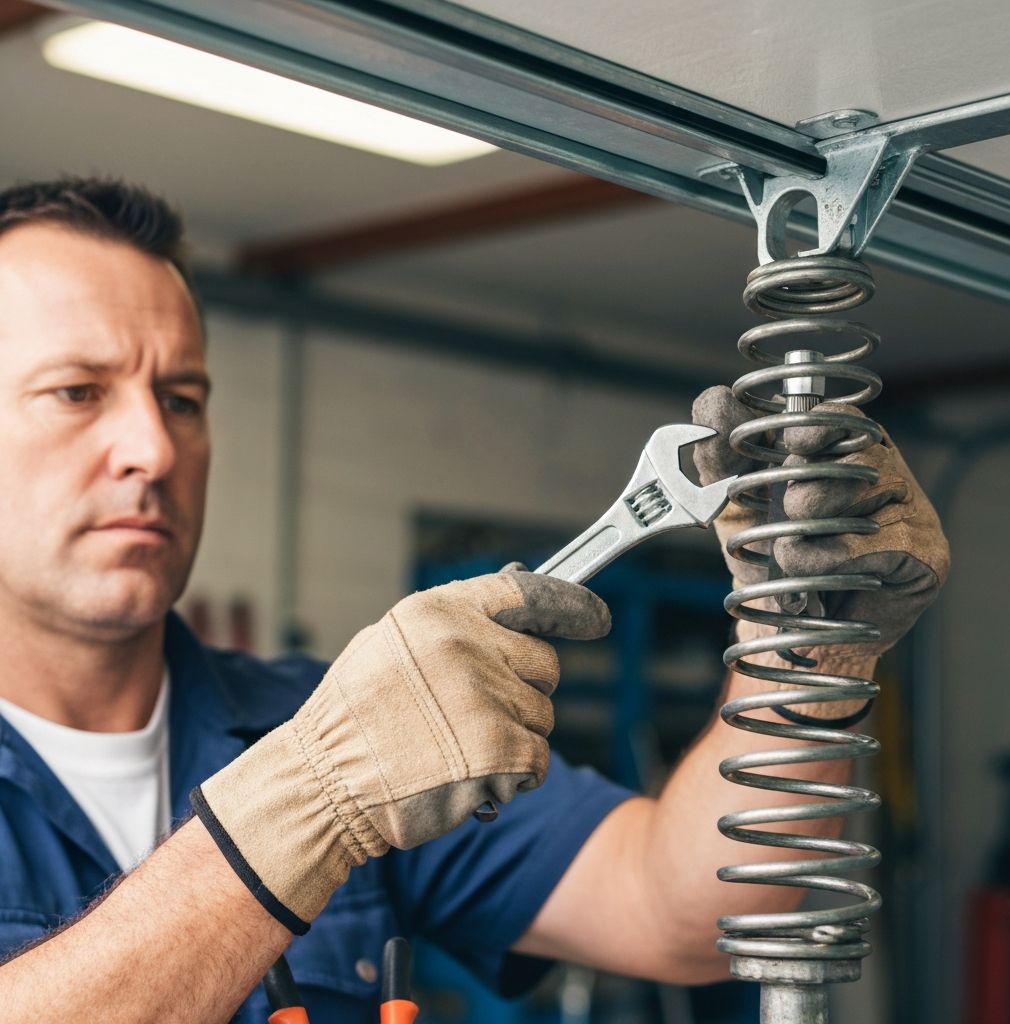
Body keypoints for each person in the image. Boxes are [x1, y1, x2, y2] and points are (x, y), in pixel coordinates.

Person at [0, 177, 948, 1023]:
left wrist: (809, 648)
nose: (154, 451)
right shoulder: (333, 754)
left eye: (182, 399)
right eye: (78, 392)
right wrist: (308, 804)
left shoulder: (326, 722)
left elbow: (683, 914)